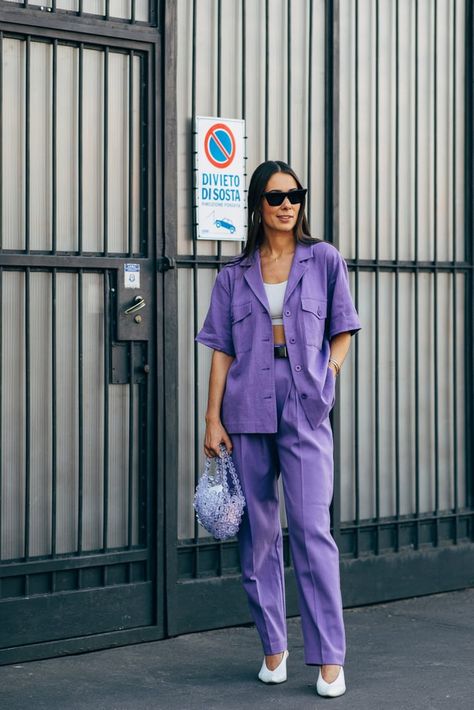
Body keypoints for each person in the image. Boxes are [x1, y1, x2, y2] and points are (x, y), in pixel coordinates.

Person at [195, 159, 362, 698]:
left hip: (304, 401)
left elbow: (343, 329)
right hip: (246, 406)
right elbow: (221, 350)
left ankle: (329, 658)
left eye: (294, 195)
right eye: (275, 197)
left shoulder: (324, 260)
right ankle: (274, 647)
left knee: (313, 530)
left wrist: (327, 374)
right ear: (257, 206)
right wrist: (212, 416)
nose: (287, 204)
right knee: (258, 535)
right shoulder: (233, 274)